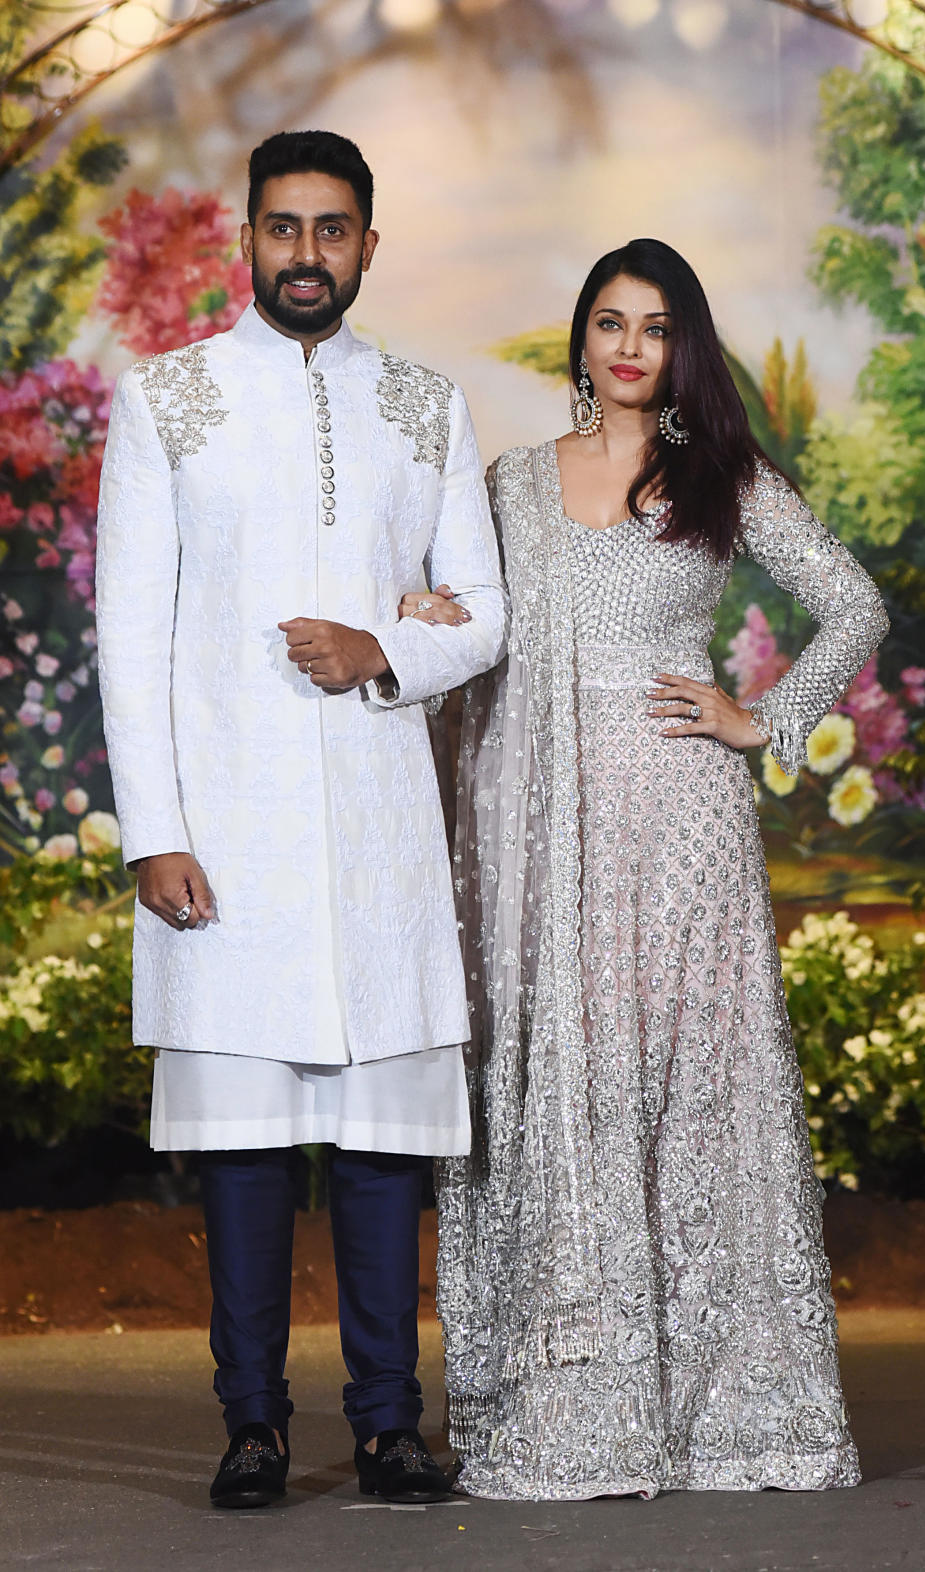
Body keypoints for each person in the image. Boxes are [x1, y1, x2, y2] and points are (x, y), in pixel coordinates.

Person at [405, 239, 889, 1500]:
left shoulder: (723, 475)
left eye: (655, 325)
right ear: (580, 339)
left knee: (685, 1085)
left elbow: (855, 604)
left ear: (684, 346)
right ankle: (567, 1398)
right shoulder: (510, 484)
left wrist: (761, 720)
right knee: (561, 1071)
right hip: (536, 827)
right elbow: (464, 626)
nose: (629, 346)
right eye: (609, 322)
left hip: (677, 823)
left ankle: (723, 1408)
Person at [96, 129, 506, 1508]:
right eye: (285, 229)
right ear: (248, 240)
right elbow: (128, 638)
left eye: (333, 232)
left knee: (387, 1141)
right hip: (231, 828)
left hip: (380, 823)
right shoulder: (169, 403)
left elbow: (485, 612)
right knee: (245, 1148)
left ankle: (389, 1424)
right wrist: (157, 828)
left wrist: (386, 647)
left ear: (368, 248)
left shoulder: (428, 407)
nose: (307, 255)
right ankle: (253, 1428)